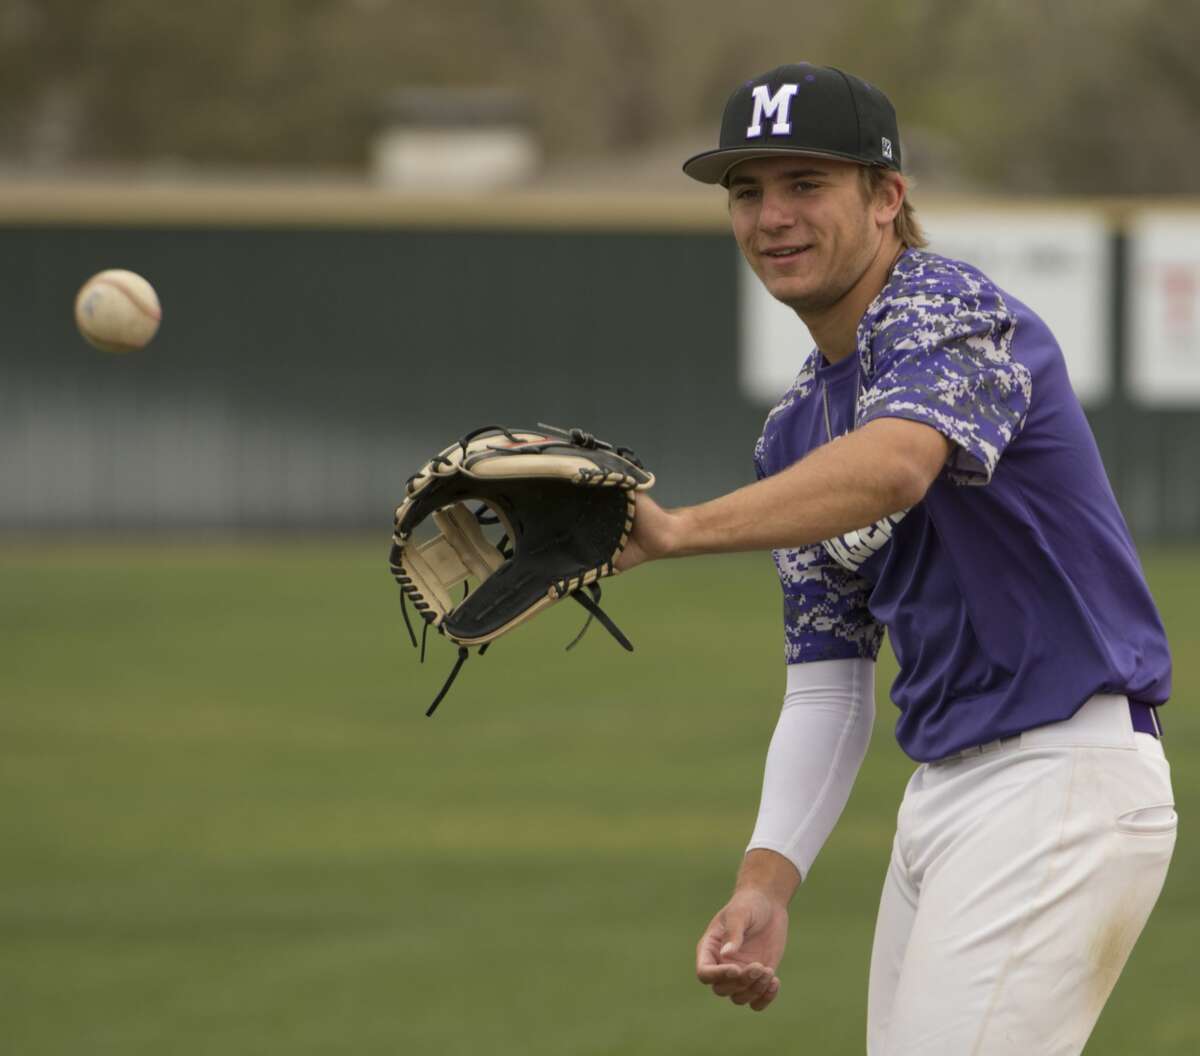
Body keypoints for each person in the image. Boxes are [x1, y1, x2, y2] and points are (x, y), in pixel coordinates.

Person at [616, 63, 1177, 1055]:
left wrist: (679, 531)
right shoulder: (794, 429)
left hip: (1061, 780)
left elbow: (897, 468)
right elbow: (827, 685)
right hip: (948, 800)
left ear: (887, 198)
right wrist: (766, 880)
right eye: (746, 192)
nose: (771, 217)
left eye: (805, 185)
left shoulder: (945, 307)